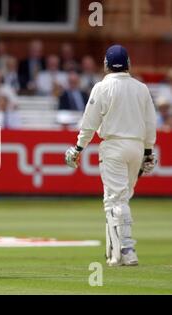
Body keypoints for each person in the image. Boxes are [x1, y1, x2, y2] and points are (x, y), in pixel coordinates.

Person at [65, 45, 157, 267]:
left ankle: (126, 248)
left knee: (115, 199)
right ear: (128, 65)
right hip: (136, 147)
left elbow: (89, 122)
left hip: (114, 146)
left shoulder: (102, 87)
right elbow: (150, 123)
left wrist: (78, 148)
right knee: (121, 198)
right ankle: (113, 251)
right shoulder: (141, 88)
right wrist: (148, 151)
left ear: (106, 65)